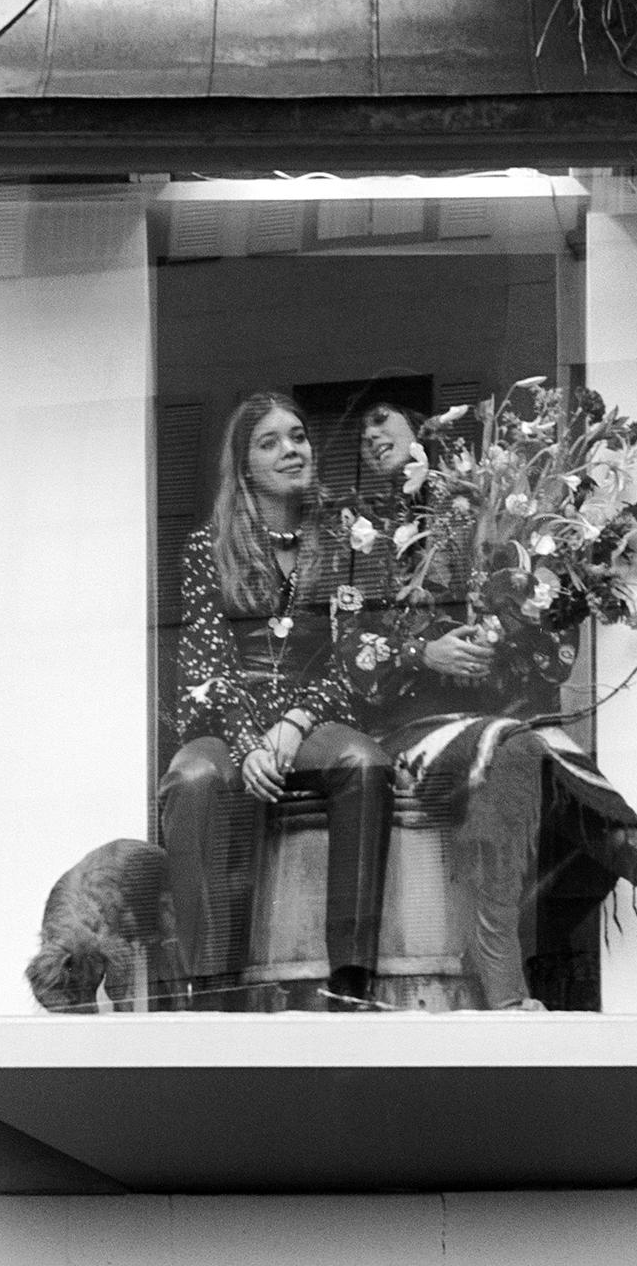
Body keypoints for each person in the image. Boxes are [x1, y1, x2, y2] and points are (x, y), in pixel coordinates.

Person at [336, 398, 637, 1012]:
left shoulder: (488, 506)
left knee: (610, 817)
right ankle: (509, 997)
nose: (372, 432)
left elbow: (552, 656)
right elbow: (347, 649)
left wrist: (510, 618)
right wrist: (424, 652)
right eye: (361, 430)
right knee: (517, 752)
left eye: (383, 416)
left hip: (505, 725)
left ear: (423, 427)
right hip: (412, 728)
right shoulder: (359, 530)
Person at [159, 391, 394, 1011]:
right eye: (271, 442)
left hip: (314, 714)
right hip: (229, 715)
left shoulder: (349, 540)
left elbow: (357, 653)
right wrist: (248, 743)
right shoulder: (206, 549)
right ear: (243, 467)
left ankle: (349, 984)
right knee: (192, 779)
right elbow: (205, 664)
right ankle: (207, 992)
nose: (292, 450)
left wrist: (292, 725)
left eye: (298, 437)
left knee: (365, 763)